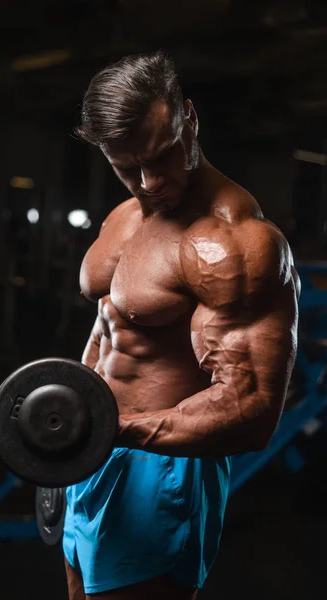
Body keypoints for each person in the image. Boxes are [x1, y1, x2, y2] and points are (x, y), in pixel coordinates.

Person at [62, 51, 300, 600]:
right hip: (89, 454)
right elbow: (109, 330)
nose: (149, 182)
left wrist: (106, 430)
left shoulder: (232, 242)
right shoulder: (123, 217)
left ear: (188, 118)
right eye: (126, 167)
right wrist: (68, 424)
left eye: (163, 155)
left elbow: (251, 411)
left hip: (160, 466)